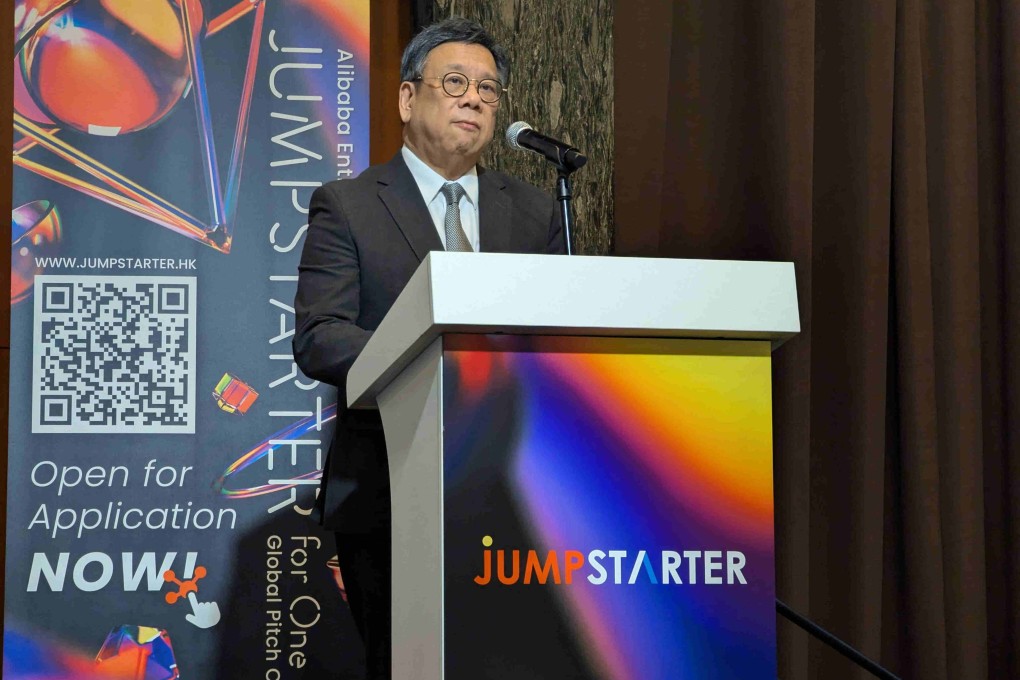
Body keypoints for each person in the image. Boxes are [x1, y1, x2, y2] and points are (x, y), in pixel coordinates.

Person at [292, 17, 565, 679]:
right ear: (409, 99)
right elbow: (321, 336)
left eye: (489, 90)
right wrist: (434, 367)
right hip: (390, 485)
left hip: (520, 497)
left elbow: (562, 341)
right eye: (456, 83)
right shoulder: (349, 205)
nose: (475, 99)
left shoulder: (534, 211)